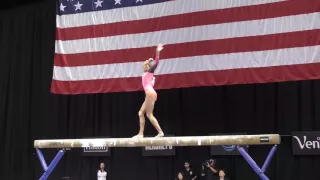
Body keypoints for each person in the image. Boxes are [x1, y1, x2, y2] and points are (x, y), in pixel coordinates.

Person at [133, 44, 165, 138]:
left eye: (144, 65)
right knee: (140, 113)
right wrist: (150, 60)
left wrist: (157, 52)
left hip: (150, 93)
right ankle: (140, 134)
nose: (143, 67)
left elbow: (156, 63)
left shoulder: (149, 72)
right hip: (151, 93)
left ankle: (160, 132)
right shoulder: (148, 75)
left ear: (147, 67)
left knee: (149, 114)